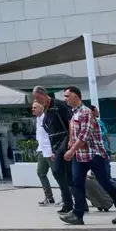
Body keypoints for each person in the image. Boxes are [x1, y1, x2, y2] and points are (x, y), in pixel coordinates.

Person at [59, 87, 116, 226]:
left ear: (76, 96)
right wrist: (71, 143)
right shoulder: (74, 113)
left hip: (94, 154)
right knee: (77, 184)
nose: (65, 99)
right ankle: (78, 214)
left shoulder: (86, 112)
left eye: (67, 96)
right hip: (80, 156)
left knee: (105, 183)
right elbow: (75, 133)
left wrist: (71, 150)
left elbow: (84, 136)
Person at [33, 86, 74, 214]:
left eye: (38, 98)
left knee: (60, 172)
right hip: (55, 146)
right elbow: (49, 131)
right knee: (65, 175)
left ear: (43, 95)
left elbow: (71, 121)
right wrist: (51, 150)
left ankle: (69, 203)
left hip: (64, 141)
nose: (37, 101)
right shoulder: (46, 110)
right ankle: (74, 203)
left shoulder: (58, 105)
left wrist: (71, 140)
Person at [31, 102, 56, 207]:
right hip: (41, 150)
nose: (33, 109)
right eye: (32, 107)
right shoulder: (37, 120)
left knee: (58, 174)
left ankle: (66, 197)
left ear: (41, 108)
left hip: (50, 151)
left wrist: (54, 150)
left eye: (35, 107)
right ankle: (49, 197)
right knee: (41, 173)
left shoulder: (47, 119)